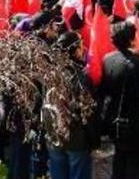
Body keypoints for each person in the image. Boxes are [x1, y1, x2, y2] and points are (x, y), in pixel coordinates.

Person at [46, 31, 98, 179]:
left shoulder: (50, 74)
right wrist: (94, 140)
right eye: (81, 46)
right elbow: (88, 113)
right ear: (75, 51)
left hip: (55, 135)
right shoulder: (81, 78)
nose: (84, 50)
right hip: (76, 139)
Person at [100, 21, 139, 179]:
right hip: (131, 121)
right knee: (133, 164)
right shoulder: (134, 64)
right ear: (131, 40)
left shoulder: (107, 59)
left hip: (113, 117)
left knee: (119, 158)